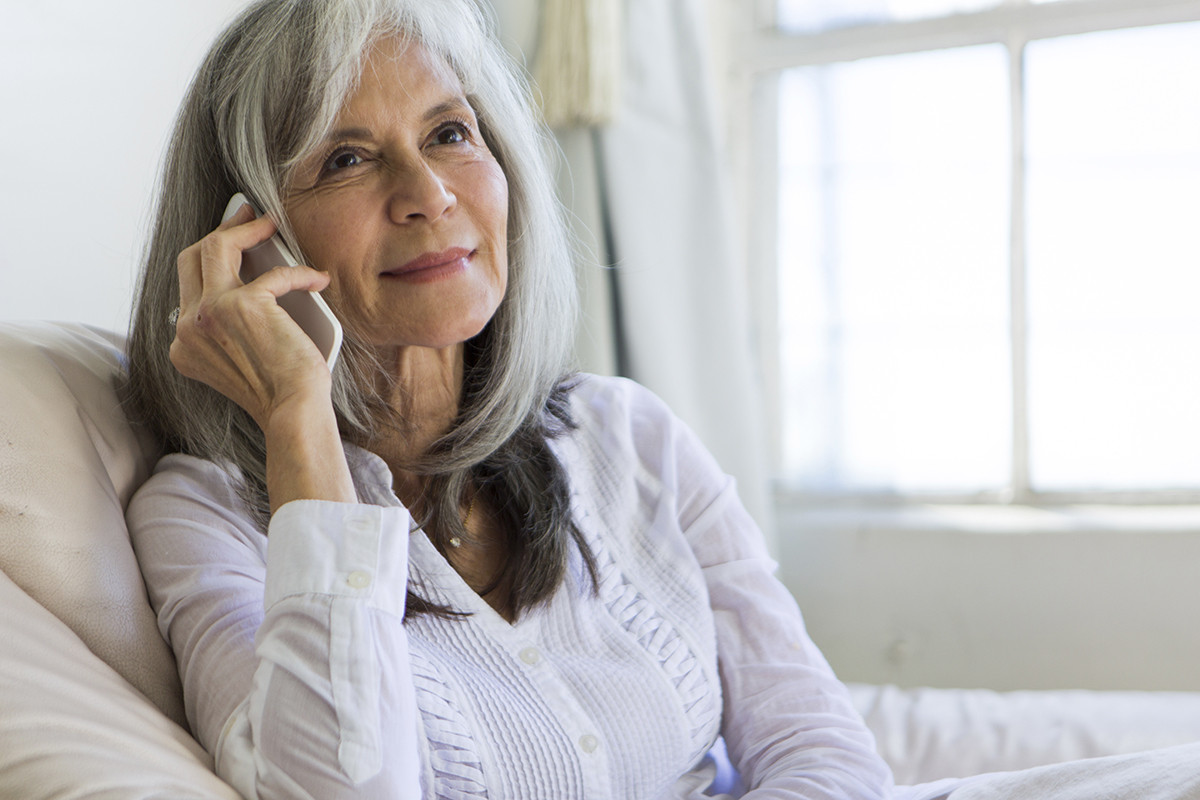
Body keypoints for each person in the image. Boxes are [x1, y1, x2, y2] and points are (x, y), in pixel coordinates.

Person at [123, 0, 895, 797]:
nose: (428, 193)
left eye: (450, 134)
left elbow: (823, 753)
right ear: (247, 250)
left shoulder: (627, 435)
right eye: (347, 159)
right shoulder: (202, 518)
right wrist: (296, 414)